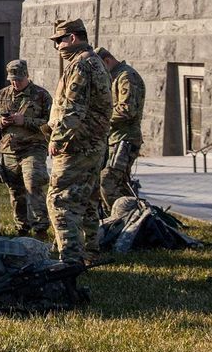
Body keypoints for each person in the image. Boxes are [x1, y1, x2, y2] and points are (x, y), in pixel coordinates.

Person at [45, 19, 112, 265]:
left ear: (73, 38)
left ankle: (70, 258)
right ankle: (91, 252)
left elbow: (74, 109)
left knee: (59, 200)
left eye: (60, 40)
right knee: (87, 198)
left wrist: (58, 138)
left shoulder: (81, 65)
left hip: (77, 145)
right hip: (93, 144)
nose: (58, 47)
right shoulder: (93, 61)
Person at [0, 59, 52, 238]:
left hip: (33, 148)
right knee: (15, 190)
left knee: (33, 184)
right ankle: (22, 227)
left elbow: (52, 124)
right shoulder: (2, 95)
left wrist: (26, 121)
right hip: (9, 150)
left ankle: (41, 228)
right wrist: (0, 122)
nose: (15, 83)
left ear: (27, 76)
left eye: (19, 79)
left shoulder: (41, 95)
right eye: (12, 79)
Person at [95, 47, 145, 209]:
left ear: (107, 61)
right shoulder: (113, 76)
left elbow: (127, 109)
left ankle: (126, 219)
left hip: (124, 139)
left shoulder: (127, 77)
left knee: (108, 182)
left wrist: (99, 116)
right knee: (119, 185)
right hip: (112, 138)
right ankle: (129, 219)